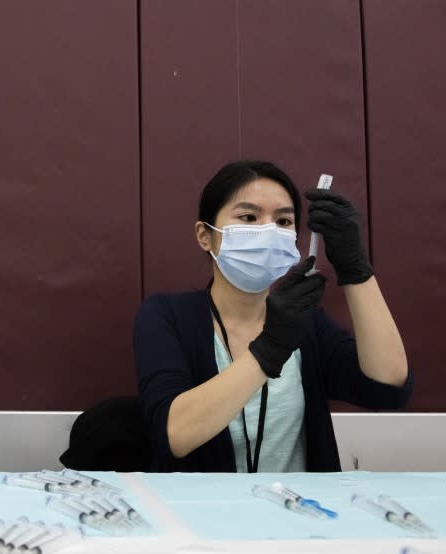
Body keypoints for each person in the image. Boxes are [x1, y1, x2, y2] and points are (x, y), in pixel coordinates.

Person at [134, 160, 412, 472]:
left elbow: (388, 386)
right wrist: (272, 345)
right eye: (248, 217)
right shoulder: (166, 316)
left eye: (283, 221)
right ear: (205, 235)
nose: (268, 230)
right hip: (200, 514)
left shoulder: (307, 325)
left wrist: (355, 268)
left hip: (297, 514)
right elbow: (176, 434)